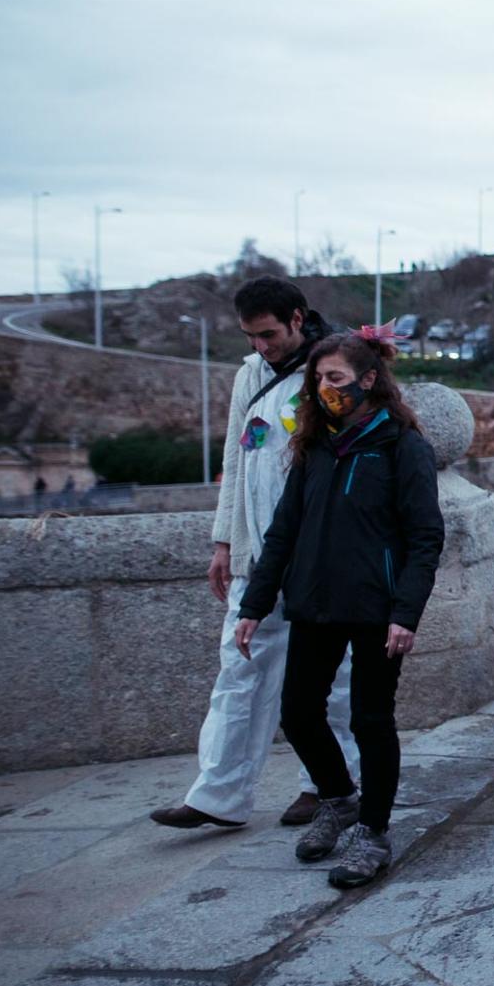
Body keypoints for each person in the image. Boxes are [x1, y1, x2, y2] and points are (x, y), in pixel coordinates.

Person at [237, 326, 444, 888]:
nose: (325, 389)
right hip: (313, 602)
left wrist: (406, 613)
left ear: (369, 380)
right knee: (298, 712)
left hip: (377, 609)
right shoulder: (314, 447)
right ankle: (338, 798)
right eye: (319, 379)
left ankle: (372, 832)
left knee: (371, 720)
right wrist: (254, 605)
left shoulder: (404, 447)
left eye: (336, 379)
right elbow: (284, 531)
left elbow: (426, 538)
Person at [150, 277, 359, 832]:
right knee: (238, 670)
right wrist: (225, 541)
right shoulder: (249, 373)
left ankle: (327, 785)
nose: (261, 346)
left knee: (332, 679)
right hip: (256, 554)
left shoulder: (335, 367)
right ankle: (218, 794)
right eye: (251, 337)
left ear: (297, 318)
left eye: (268, 334)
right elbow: (236, 459)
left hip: (318, 555)